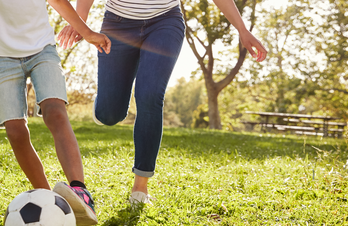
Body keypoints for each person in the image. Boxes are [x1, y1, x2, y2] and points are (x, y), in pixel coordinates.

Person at [57, 0, 267, 204]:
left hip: (165, 23)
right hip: (118, 24)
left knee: (150, 95)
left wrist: (242, 29)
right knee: (109, 114)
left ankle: (140, 187)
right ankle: (106, 104)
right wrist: (80, 22)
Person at [0, 0, 111, 226]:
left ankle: (80, 192)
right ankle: (47, 199)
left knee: (55, 112)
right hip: (3, 57)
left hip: (42, 50)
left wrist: (88, 33)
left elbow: (60, 3)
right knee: (15, 131)